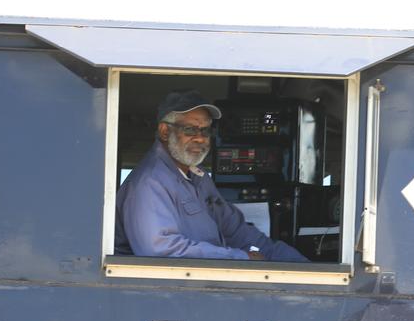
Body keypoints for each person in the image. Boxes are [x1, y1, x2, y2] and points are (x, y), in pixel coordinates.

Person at [115, 90, 309, 262]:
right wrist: (241, 258)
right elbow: (160, 251)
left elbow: (238, 233)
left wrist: (299, 265)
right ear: (165, 131)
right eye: (190, 129)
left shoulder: (199, 178)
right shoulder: (149, 182)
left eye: (205, 130)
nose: (200, 138)